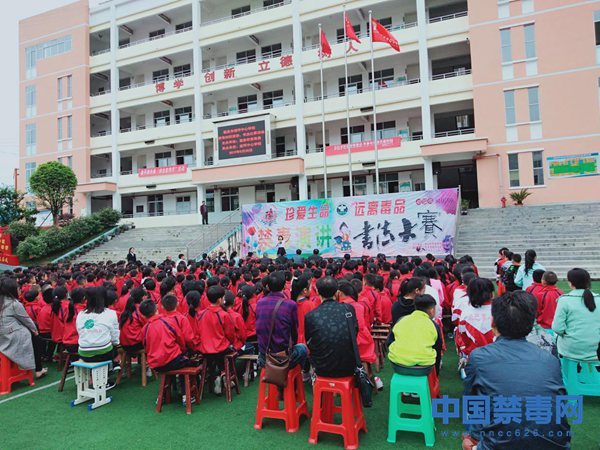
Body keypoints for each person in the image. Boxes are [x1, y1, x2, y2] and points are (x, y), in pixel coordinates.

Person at [462, 290, 571, 449]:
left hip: (501, 443)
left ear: (493, 323)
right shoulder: (549, 360)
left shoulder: (479, 357)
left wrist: (474, 438)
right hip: (556, 443)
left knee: (470, 432)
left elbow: (473, 403)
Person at [388, 295, 441, 397]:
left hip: (398, 365)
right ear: (431, 310)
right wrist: (436, 373)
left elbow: (390, 341)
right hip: (423, 368)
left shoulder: (401, 320)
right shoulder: (433, 325)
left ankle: (406, 388)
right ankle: (419, 391)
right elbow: (438, 351)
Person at [304, 277, 358, 378]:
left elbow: (309, 340)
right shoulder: (348, 309)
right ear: (337, 292)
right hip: (349, 365)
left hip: (321, 367)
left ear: (317, 292)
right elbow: (355, 333)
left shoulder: (311, 315)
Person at [255, 271, 307, 370]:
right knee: (303, 349)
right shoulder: (290, 305)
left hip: (264, 355)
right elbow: (294, 331)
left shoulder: (260, 303)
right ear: (284, 286)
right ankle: (304, 373)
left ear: (268, 287)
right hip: (283, 356)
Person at [0, 278, 45, 378]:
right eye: (18, 288)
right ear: (12, 290)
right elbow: (27, 320)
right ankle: (38, 369)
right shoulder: (14, 304)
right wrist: (35, 331)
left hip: (2, 337)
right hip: (11, 337)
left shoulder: (2, 302)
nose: (19, 290)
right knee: (36, 338)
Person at [552, 268, 600, 362]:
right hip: (595, 350)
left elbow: (557, 328)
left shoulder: (564, 300)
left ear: (570, 283)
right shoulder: (598, 299)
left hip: (570, 351)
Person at [196, 286, 235, 395]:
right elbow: (230, 334)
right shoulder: (224, 314)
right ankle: (224, 374)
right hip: (221, 348)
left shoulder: (201, 314)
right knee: (229, 352)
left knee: (212, 359)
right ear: (219, 299)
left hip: (204, 349)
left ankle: (216, 376)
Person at [76, 286, 120, 366]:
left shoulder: (80, 314)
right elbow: (115, 338)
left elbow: (80, 332)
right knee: (113, 346)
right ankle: (114, 365)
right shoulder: (111, 313)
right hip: (105, 353)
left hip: (84, 353)